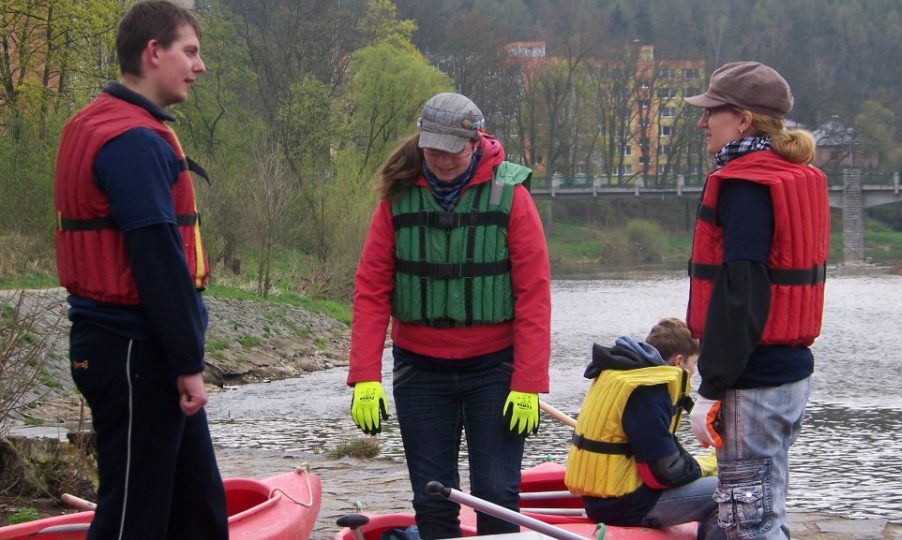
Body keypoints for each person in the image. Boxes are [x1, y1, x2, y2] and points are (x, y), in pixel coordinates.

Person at [53, 2, 227, 539]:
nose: (199, 67)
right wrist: (188, 362)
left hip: (132, 345)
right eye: (190, 52)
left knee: (198, 509)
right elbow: (156, 260)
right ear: (154, 53)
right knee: (134, 517)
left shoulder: (101, 123)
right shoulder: (131, 141)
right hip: (131, 349)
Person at [346, 92, 551, 539]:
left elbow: (534, 295)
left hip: (494, 371)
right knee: (433, 500)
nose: (439, 158)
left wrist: (529, 384)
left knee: (498, 497)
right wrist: (365, 376)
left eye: (450, 149)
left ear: (475, 142)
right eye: (431, 147)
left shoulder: (510, 194)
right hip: (420, 373)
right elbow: (371, 290)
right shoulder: (397, 196)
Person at [683, 61, 830, 539]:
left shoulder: (746, 186)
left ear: (743, 120)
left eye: (712, 113)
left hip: (753, 383)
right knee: (766, 514)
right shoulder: (789, 175)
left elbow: (739, 292)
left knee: (748, 523)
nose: (702, 123)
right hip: (789, 375)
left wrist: (711, 385)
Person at [565, 318, 723, 540]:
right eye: (694, 363)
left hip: (603, 499)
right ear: (679, 361)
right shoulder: (649, 390)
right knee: (731, 493)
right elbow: (666, 471)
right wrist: (708, 466)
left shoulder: (621, 373)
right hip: (626, 505)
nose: (694, 371)